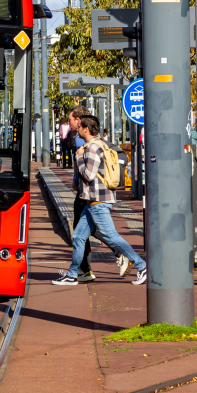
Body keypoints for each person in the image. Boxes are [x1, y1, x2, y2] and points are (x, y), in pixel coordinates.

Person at [54, 114, 146, 286]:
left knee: (111, 237)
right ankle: (73, 274)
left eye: (80, 126)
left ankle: (141, 265)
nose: (78, 129)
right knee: (79, 237)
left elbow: (88, 175)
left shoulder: (92, 148)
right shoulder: (101, 143)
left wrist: (79, 157)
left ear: (86, 129)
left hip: (98, 201)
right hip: (94, 201)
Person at [67, 106, 130, 282]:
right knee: (84, 231)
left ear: (79, 122)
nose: (70, 123)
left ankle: (121, 255)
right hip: (88, 193)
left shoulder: (83, 141)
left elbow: (87, 171)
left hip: (90, 194)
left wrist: (76, 182)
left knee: (87, 230)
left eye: (71, 120)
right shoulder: (83, 139)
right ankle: (84, 270)